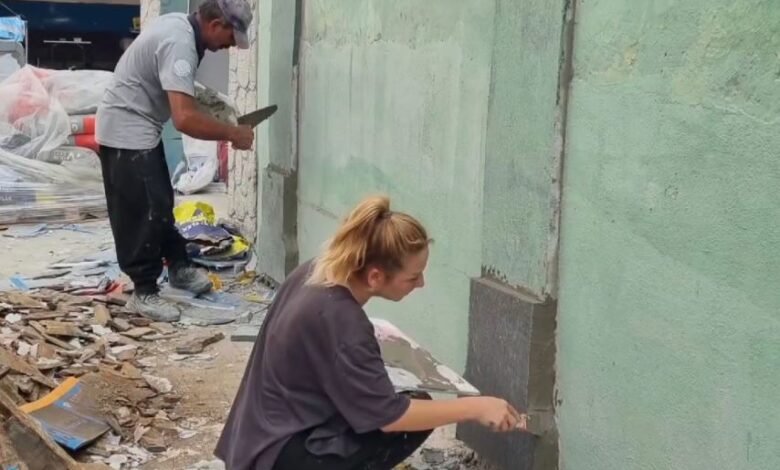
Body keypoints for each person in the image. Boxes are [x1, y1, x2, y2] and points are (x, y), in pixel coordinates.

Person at [216, 195, 527, 470]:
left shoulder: (317, 270)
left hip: (254, 440)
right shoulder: (343, 321)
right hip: (279, 455)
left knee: (412, 401)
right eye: (413, 278)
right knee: (411, 419)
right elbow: (390, 418)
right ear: (375, 277)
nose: (421, 284)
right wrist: (475, 407)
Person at [95, 0, 255, 322]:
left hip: (141, 126)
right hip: (125, 130)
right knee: (142, 212)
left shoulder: (183, 30)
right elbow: (183, 118)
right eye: (229, 38)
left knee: (160, 203)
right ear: (215, 25)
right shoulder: (180, 42)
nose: (228, 47)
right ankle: (144, 291)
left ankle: (179, 267)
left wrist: (217, 109)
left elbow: (177, 89)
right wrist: (232, 134)